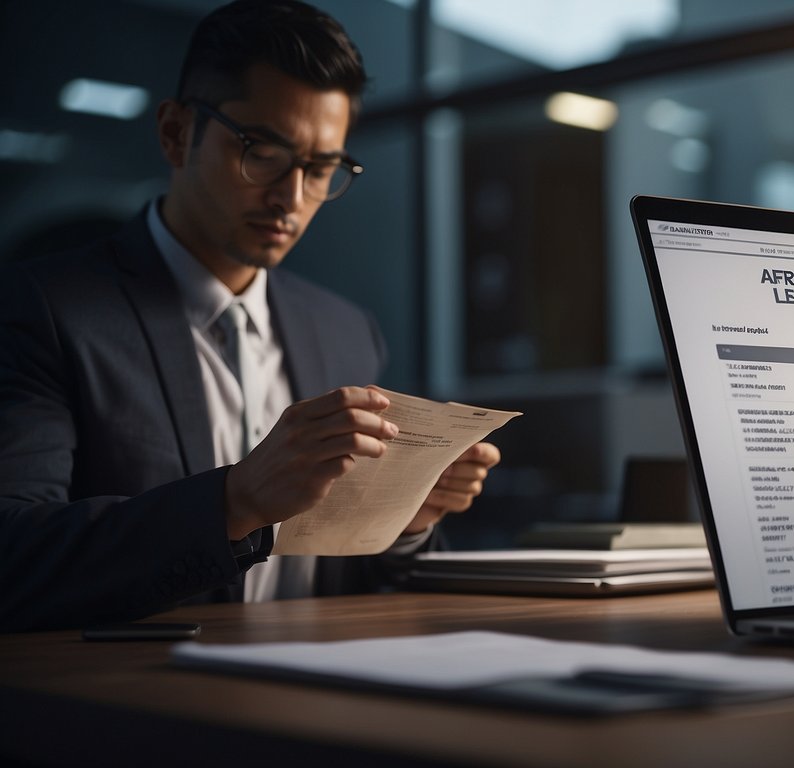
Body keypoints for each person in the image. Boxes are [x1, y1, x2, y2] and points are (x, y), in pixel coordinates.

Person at [0, 0, 500, 632]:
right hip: (137, 707)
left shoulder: (346, 331)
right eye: (262, 151)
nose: (292, 197)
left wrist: (406, 522)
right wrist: (235, 500)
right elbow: (12, 557)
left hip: (322, 695)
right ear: (176, 133)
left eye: (321, 168)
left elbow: (349, 586)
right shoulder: (46, 309)